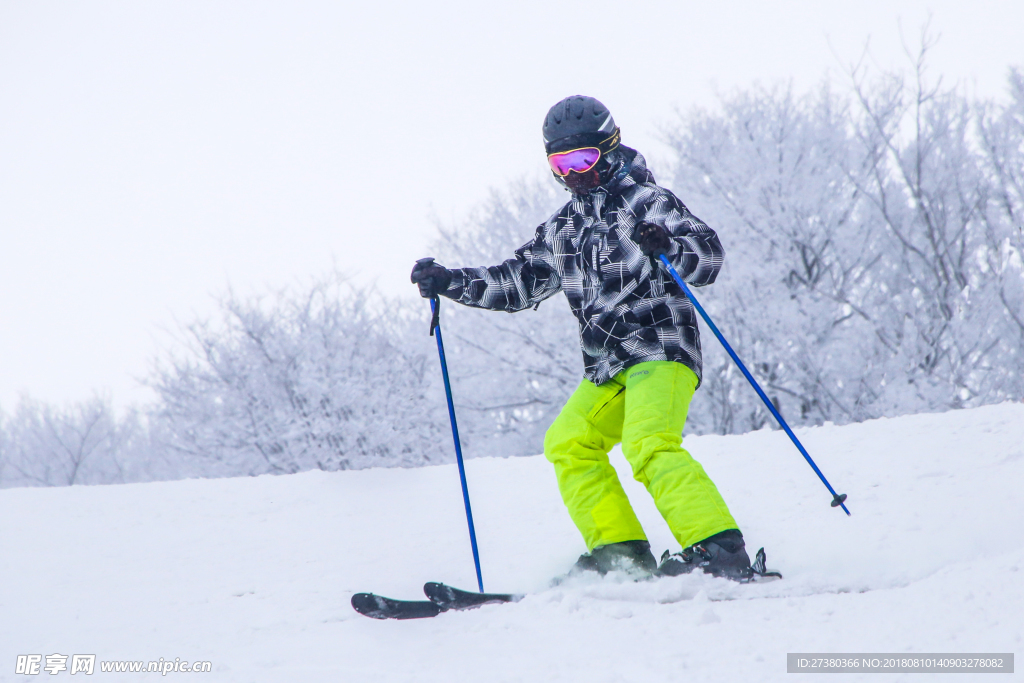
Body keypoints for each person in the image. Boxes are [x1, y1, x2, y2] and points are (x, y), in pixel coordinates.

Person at [411, 95, 752, 581]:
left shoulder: (648, 201)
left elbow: (708, 257)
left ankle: (718, 549)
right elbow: (516, 282)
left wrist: (669, 246)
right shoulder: (563, 227)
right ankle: (621, 554)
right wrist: (451, 282)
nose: (574, 174)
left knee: (647, 441)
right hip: (608, 364)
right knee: (568, 441)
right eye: (561, 163)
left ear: (610, 148)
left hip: (661, 346)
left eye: (584, 160)